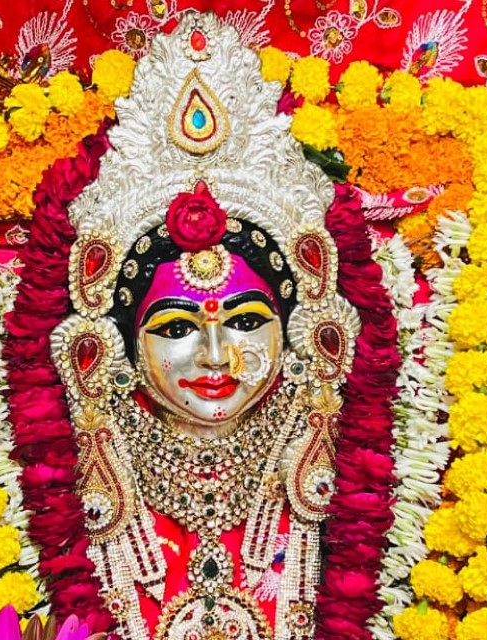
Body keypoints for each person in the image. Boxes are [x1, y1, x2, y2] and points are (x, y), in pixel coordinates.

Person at [46, 12, 362, 640]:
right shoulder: (75, 476)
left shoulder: (346, 460)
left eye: (245, 320)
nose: (217, 356)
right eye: (175, 327)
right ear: (117, 347)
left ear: (301, 331)